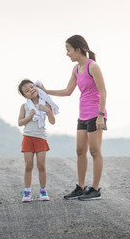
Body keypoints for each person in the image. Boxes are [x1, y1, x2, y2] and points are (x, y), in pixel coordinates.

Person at [37, 35, 107, 201]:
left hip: (95, 114)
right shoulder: (76, 69)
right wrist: (46, 92)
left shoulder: (93, 67)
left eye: (68, 50)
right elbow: (68, 91)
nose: (67, 53)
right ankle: (81, 188)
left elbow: (103, 91)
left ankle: (95, 189)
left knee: (95, 151)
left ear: (78, 49)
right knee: (80, 151)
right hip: (82, 115)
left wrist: (100, 116)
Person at [18, 79, 56, 202]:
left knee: (41, 165)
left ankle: (43, 190)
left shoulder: (45, 103)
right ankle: (27, 192)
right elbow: (20, 122)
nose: (31, 90)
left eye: (32, 87)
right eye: (27, 91)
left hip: (41, 138)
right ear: (24, 95)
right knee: (28, 165)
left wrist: (47, 110)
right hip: (28, 137)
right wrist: (29, 116)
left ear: (36, 87)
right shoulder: (24, 106)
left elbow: (52, 121)